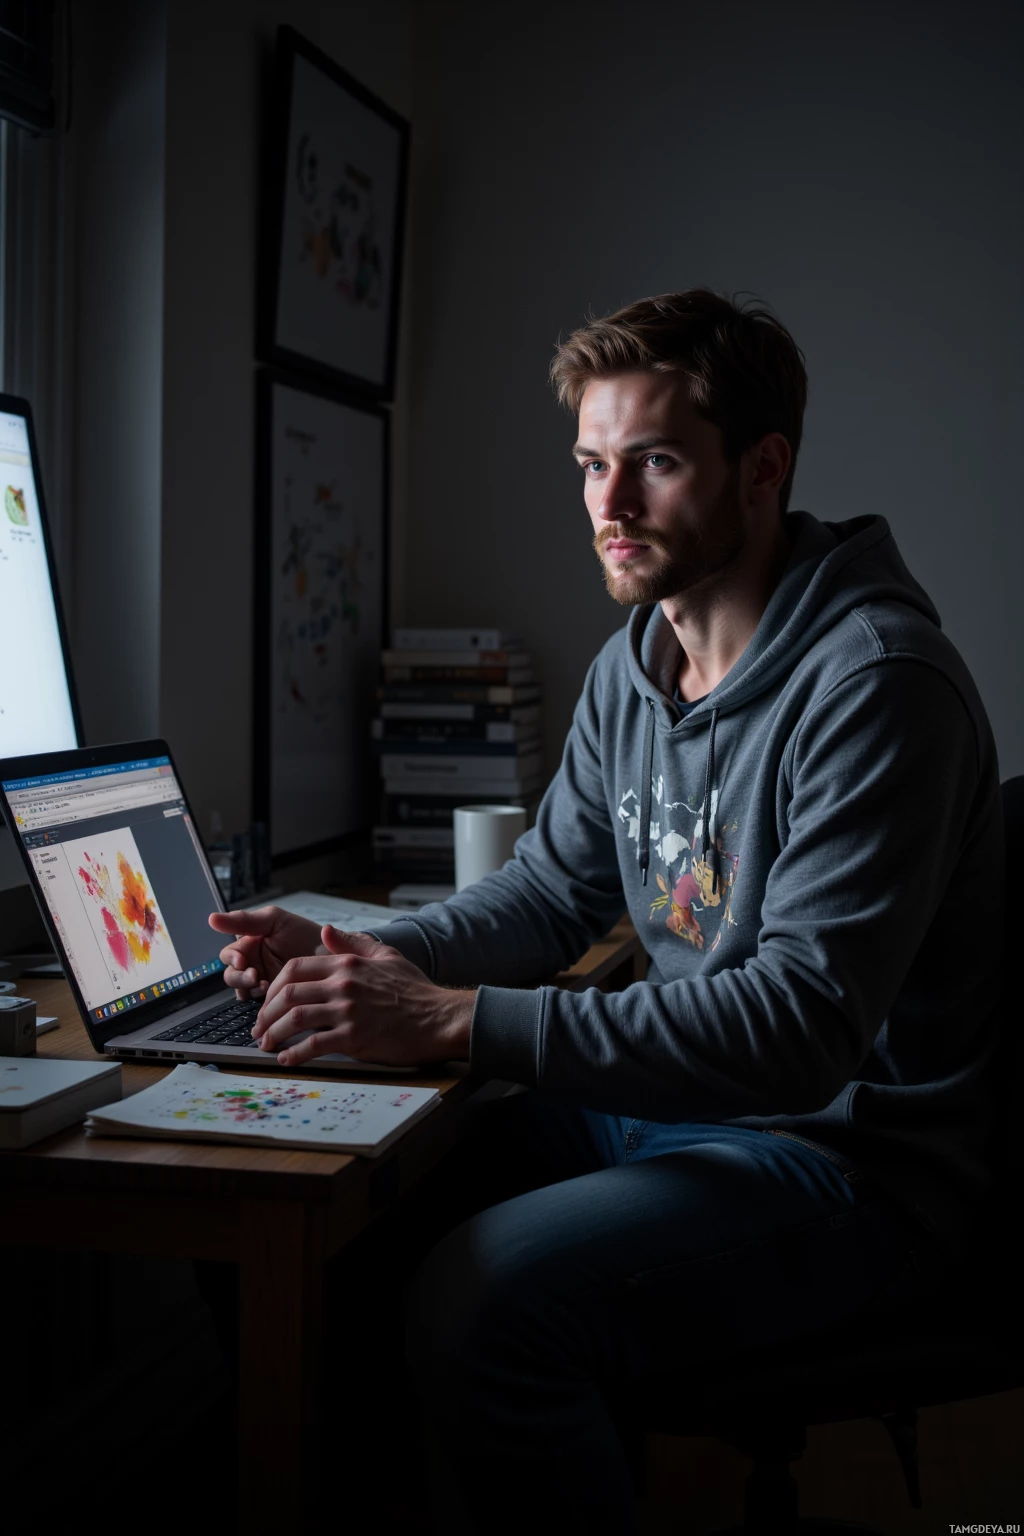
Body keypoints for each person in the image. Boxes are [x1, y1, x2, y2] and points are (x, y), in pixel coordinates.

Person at [210, 289, 1003, 1532]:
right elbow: (546, 893)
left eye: (655, 463)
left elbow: (800, 1027)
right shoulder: (632, 668)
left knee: (482, 1310)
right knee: (338, 1236)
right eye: (591, 464)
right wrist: (364, 953)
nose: (608, 506)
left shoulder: (879, 688)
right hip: (671, 1117)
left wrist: (456, 1022)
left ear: (763, 468)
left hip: (848, 1161)